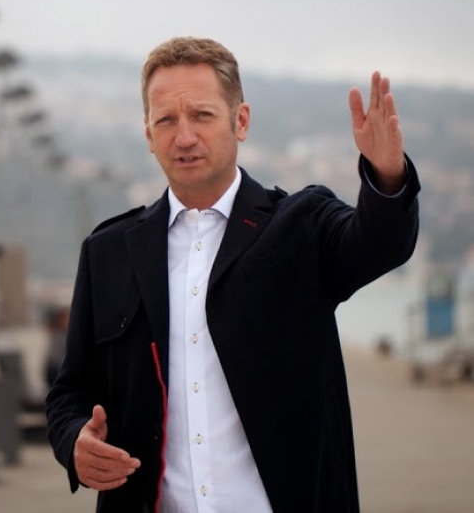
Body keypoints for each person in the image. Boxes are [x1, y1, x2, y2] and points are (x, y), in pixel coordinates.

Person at [46, 36, 420, 513]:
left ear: (240, 121)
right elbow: (70, 391)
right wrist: (74, 442)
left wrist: (387, 177)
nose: (184, 137)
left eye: (202, 115)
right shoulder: (107, 252)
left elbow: (380, 245)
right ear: (148, 135)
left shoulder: (302, 225)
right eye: (166, 120)